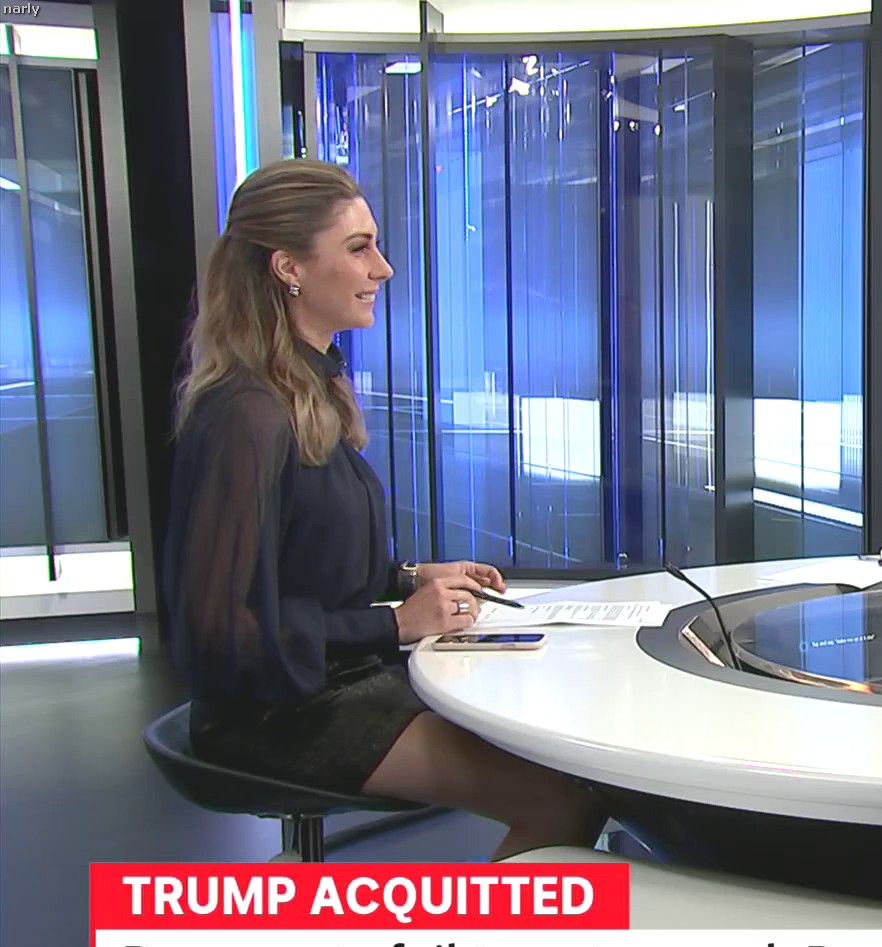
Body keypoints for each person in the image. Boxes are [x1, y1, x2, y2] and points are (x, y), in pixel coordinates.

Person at [163, 159, 605, 860]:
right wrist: (395, 623)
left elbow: (304, 561)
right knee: (560, 799)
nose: (384, 268)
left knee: (576, 761)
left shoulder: (308, 390)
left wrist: (410, 578)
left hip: (335, 681)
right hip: (279, 713)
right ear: (289, 268)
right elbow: (224, 632)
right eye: (358, 247)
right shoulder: (246, 415)